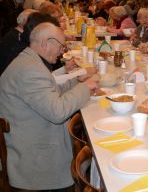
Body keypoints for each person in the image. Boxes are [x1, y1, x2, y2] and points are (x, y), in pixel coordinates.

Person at [0, 22, 98, 190]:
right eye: (61, 46)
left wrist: (76, 80)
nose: (63, 51)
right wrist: (85, 87)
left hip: (31, 133)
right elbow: (57, 112)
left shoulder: (29, 59)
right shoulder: (30, 70)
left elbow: (50, 88)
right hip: (34, 155)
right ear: (46, 43)